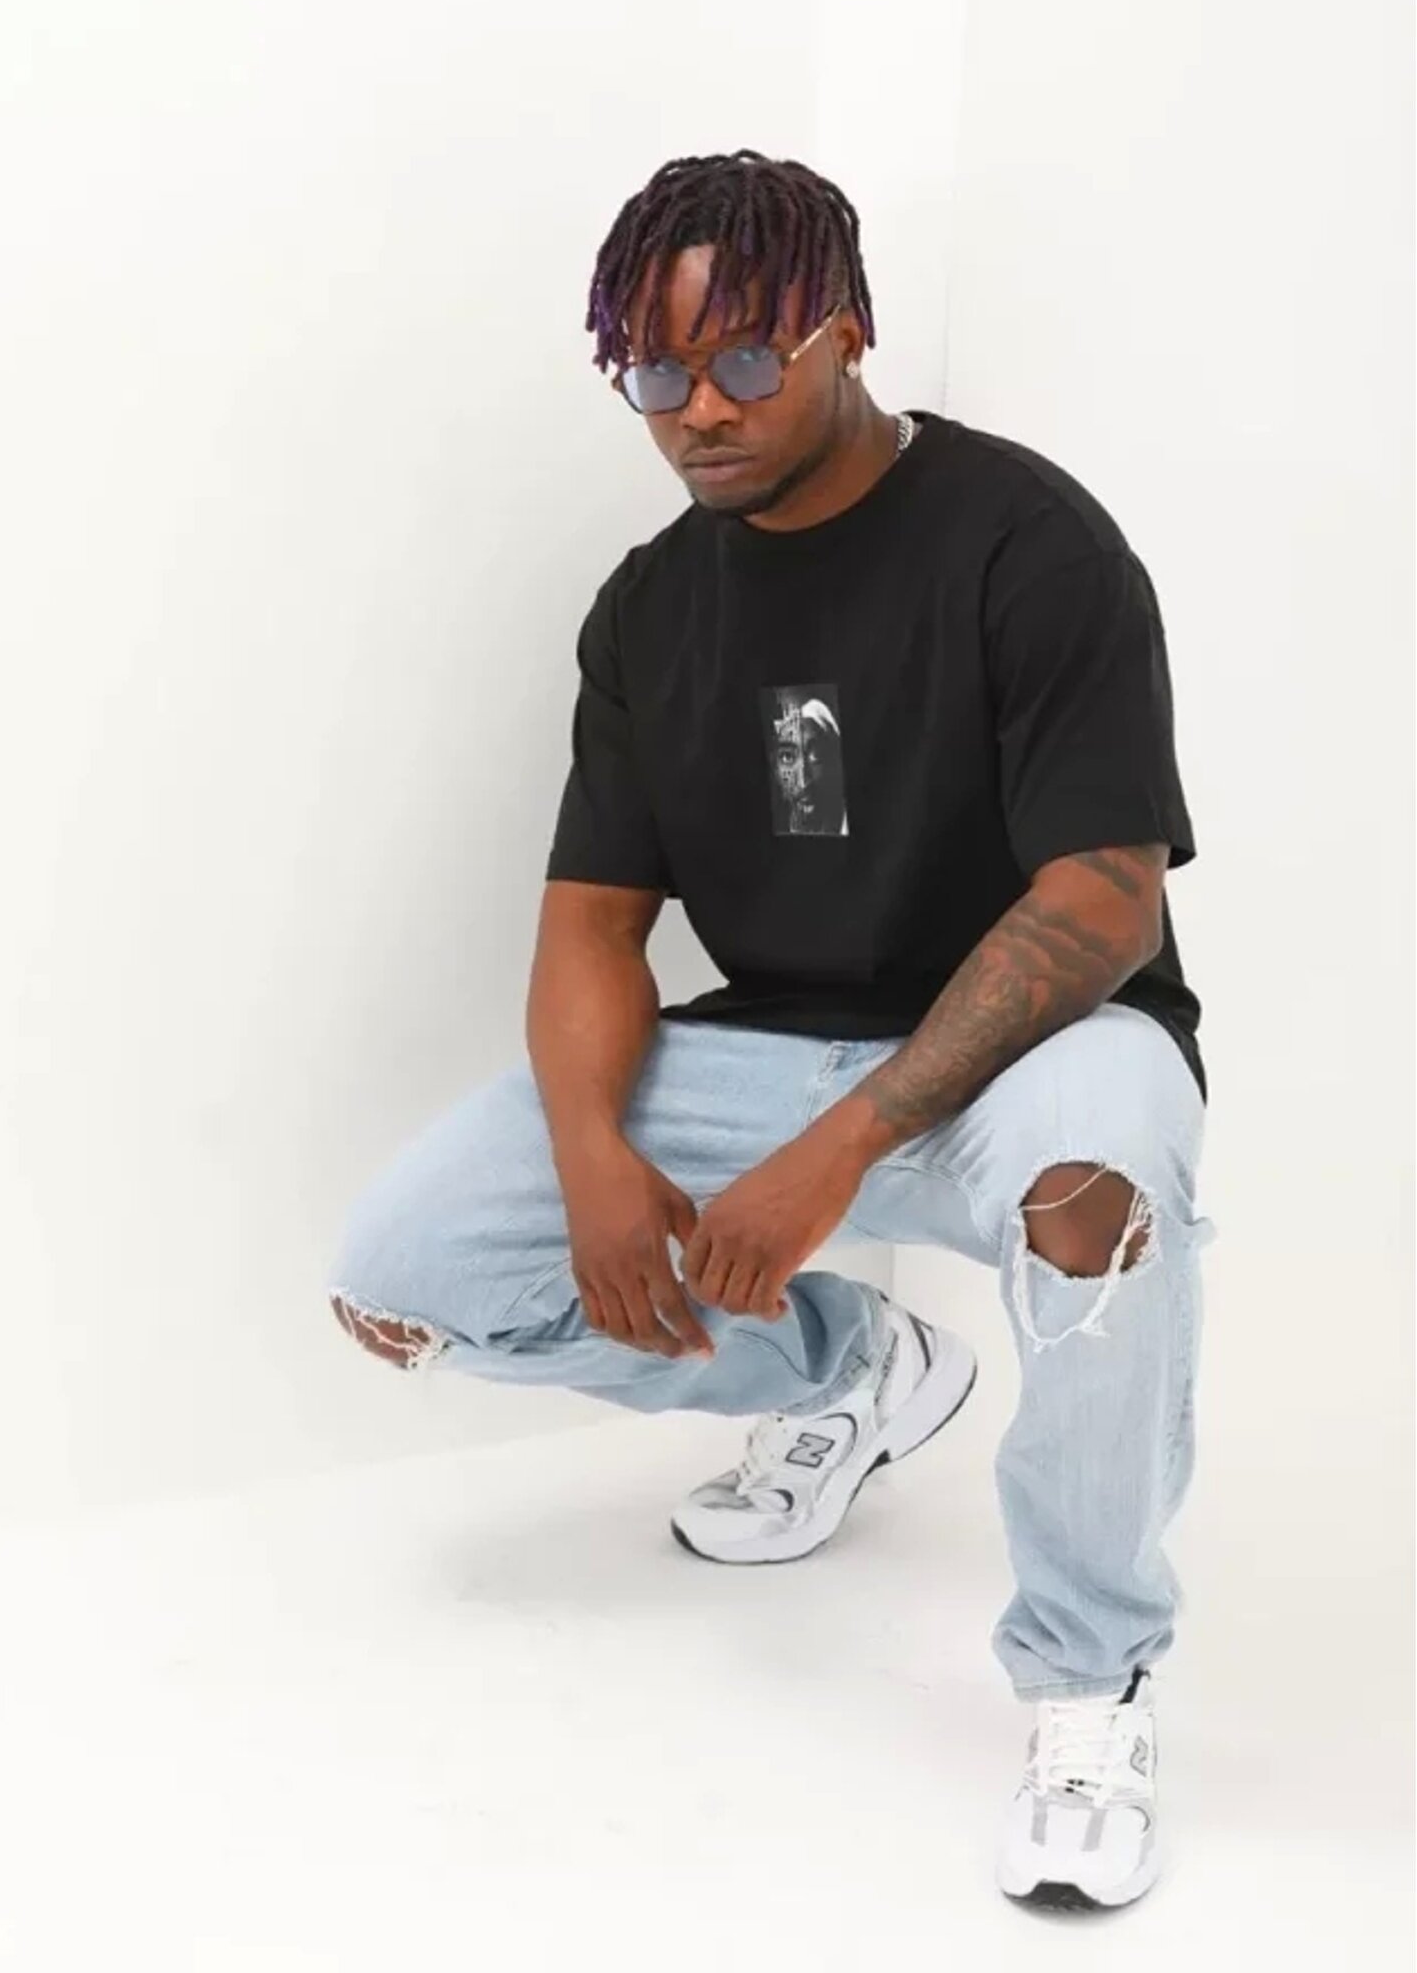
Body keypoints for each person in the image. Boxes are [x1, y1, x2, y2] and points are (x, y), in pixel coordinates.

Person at [328, 149, 1214, 1913]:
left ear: (846, 334)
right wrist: (594, 1155)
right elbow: (594, 924)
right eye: (655, 375)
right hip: (762, 1050)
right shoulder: (652, 606)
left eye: (745, 359)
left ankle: (1088, 1688)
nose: (701, 412)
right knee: (405, 1278)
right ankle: (852, 1372)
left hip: (1035, 1051)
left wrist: (844, 1150)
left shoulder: (1028, 544)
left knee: (1100, 1196)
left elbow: (1104, 898)